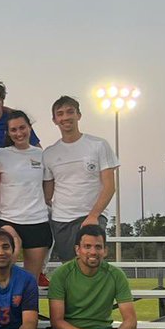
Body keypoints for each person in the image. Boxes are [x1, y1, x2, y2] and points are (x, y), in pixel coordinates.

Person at [43, 96, 118, 262]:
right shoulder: (49, 153)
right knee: (71, 269)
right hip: (61, 221)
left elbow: (109, 186)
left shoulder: (98, 145)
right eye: (60, 114)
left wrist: (93, 216)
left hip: (90, 217)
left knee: (91, 265)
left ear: (79, 115)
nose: (65, 117)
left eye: (70, 112)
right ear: (54, 120)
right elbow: (47, 195)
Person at [0, 110, 52, 280]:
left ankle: (29, 307)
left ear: (29, 128)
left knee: (30, 279)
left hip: (37, 222)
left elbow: (48, 184)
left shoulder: (41, 155)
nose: (19, 133)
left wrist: (45, 202)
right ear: (8, 133)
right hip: (9, 220)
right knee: (3, 273)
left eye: (22, 128)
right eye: (13, 130)